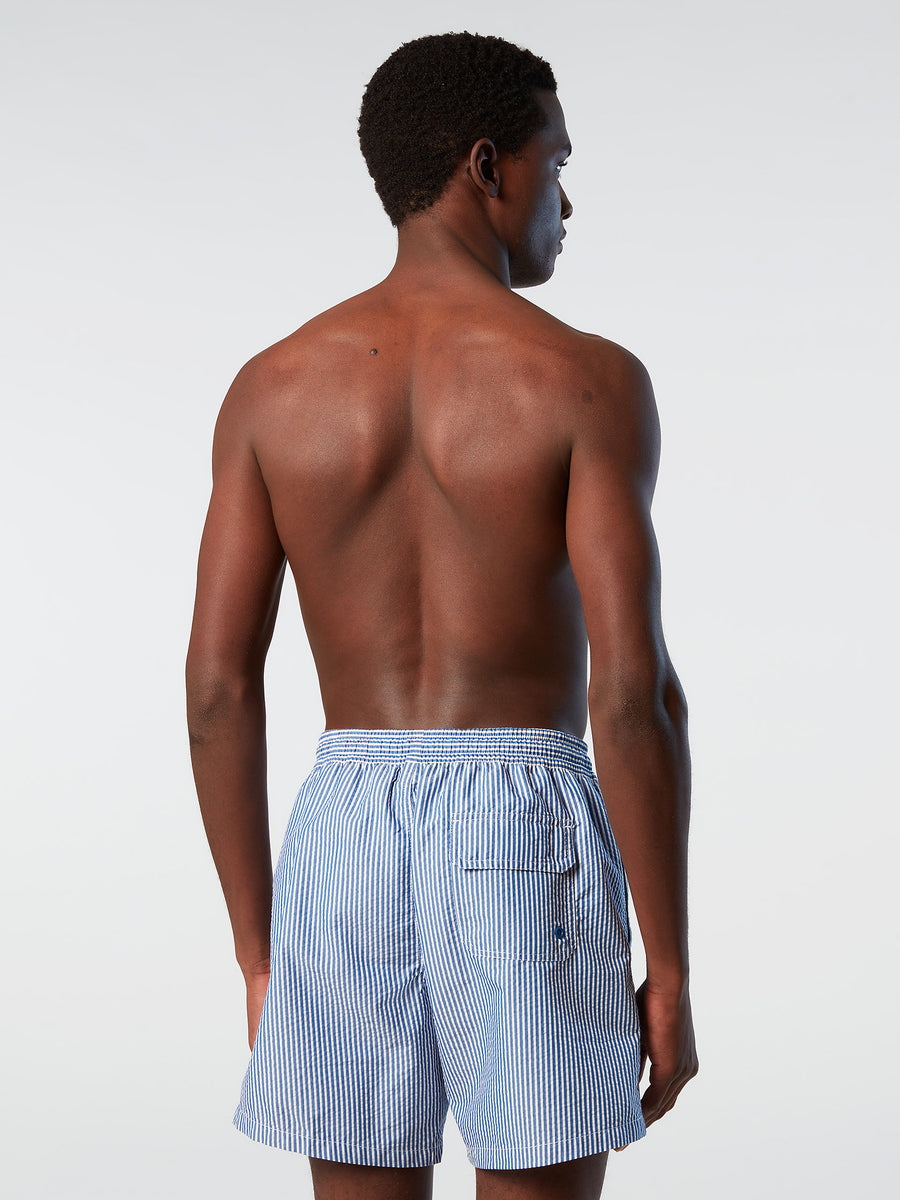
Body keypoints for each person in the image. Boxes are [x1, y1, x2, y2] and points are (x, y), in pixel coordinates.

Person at [185, 30, 697, 1200]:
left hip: (343, 830)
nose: (567, 199)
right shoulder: (585, 380)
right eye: (557, 163)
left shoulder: (272, 387)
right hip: (522, 825)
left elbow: (216, 690)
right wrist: (667, 969)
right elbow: (631, 694)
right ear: (487, 166)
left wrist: (259, 954)